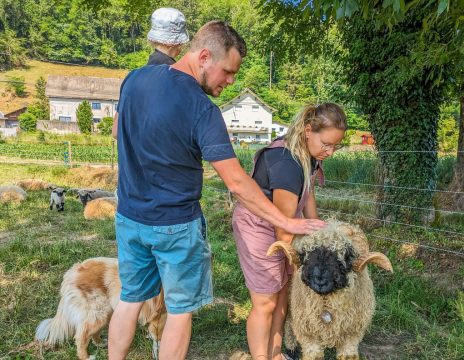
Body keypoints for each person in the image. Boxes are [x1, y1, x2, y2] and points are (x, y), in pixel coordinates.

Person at [109, 21, 326, 360]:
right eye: (227, 72)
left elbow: (115, 132)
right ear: (205, 56)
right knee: (180, 311)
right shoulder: (201, 108)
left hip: (129, 217)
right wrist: (293, 223)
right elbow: (238, 183)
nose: (229, 81)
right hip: (175, 225)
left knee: (130, 299)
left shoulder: (133, 80)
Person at [232, 103, 347, 360]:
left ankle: (275, 354)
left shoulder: (309, 155)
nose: (330, 151)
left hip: (284, 222)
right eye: (326, 144)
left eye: (335, 146)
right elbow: (283, 234)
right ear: (308, 130)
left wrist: (320, 236)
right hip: (258, 226)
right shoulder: (287, 164)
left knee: (284, 293)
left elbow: (308, 198)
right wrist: (305, 262)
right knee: (266, 301)